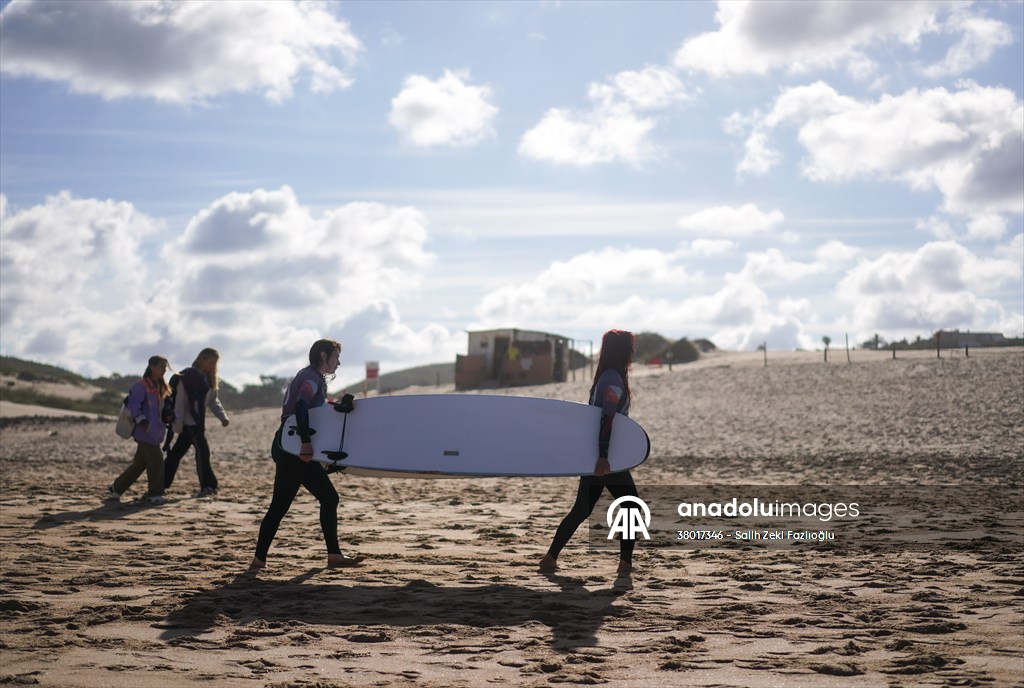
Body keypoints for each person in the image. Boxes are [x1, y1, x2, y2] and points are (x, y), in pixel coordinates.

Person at [248, 339, 365, 572]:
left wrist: (338, 406)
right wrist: (305, 443)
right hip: (294, 449)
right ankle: (258, 560)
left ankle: (333, 555)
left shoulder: (311, 376)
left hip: (292, 446)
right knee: (281, 505)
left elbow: (314, 409)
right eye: (336, 357)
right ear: (324, 356)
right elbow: (301, 405)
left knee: (326, 499)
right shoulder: (311, 378)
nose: (338, 362)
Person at [539, 329, 642, 575]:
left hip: (599, 454)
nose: (633, 352)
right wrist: (603, 456)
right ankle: (625, 564)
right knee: (631, 506)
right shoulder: (613, 380)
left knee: (582, 510)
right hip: (607, 457)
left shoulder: (607, 376)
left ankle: (550, 558)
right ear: (622, 350)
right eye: (630, 347)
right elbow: (606, 418)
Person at [106, 356, 173, 505]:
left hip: (156, 432)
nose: (164, 370)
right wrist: (142, 420)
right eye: (161, 366)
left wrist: (169, 416)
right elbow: (134, 405)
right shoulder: (141, 385)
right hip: (144, 432)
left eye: (165, 367)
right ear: (152, 366)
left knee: (139, 464)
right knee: (156, 461)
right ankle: (154, 493)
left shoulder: (162, 387)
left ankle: (116, 488)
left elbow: (164, 408)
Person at [163, 348, 230, 497]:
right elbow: (180, 401)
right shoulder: (187, 376)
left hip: (197, 423)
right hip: (189, 423)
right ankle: (208, 485)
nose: (213, 365)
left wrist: (223, 417)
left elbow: (213, 401)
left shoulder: (208, 379)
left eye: (215, 363)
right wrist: (177, 423)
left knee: (176, 454)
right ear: (202, 359)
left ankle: (160, 483)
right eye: (211, 362)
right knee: (202, 453)